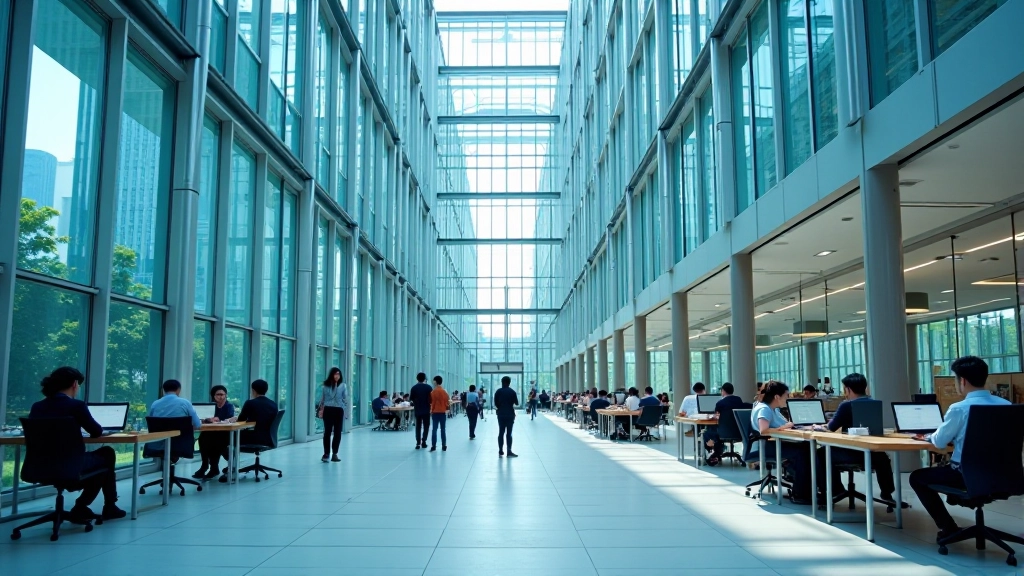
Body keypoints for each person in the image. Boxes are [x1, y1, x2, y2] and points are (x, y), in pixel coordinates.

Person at [910, 356, 1011, 541]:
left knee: (917, 477)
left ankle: (948, 527)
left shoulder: (959, 408)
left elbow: (939, 442)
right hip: (1003, 475)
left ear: (962, 381)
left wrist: (931, 435)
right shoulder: (1007, 405)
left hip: (966, 476)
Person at [27, 367, 126, 521]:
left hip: (39, 466)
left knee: (101, 467)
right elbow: (96, 431)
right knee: (107, 454)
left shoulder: (37, 406)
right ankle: (104, 506)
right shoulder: (76, 406)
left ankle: (85, 506)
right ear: (74, 384)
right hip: (70, 465)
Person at [824, 373, 897, 500]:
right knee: (882, 457)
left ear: (848, 389)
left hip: (851, 452)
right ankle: (887, 493)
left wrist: (820, 426)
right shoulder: (874, 403)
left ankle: (835, 490)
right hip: (873, 454)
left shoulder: (846, 405)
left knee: (821, 454)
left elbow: (831, 427)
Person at [751, 381, 815, 504]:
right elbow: (763, 430)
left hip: (775, 444)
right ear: (777, 397)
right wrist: (784, 427)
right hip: (768, 446)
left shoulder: (773, 409)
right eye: (786, 395)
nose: (788, 398)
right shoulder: (764, 409)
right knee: (803, 452)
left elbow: (784, 425)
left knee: (806, 447)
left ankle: (804, 488)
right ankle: (800, 493)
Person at [222, 379, 278, 483]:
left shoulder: (251, 403)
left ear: (253, 390)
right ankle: (232, 466)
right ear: (266, 390)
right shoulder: (273, 404)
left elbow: (241, 420)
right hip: (268, 438)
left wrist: (233, 419)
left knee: (224, 438)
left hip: (254, 438)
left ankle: (232, 467)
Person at [194, 384, 236, 479]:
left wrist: (218, 419)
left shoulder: (229, 406)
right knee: (202, 439)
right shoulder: (211, 406)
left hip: (225, 433)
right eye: (218, 394)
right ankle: (205, 465)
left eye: (222, 394)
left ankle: (214, 468)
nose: (221, 397)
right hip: (211, 431)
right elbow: (205, 417)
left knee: (215, 442)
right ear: (213, 396)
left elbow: (229, 417)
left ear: (226, 395)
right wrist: (207, 419)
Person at [699, 383, 744, 466]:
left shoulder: (720, 403)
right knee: (713, 430)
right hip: (739, 432)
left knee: (707, 432)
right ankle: (716, 451)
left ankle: (712, 452)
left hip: (724, 432)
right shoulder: (739, 400)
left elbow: (717, 416)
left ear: (723, 391)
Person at [316, 367, 347, 463]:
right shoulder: (326, 386)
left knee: (338, 432)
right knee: (327, 432)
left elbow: (345, 397)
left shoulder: (343, 385)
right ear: (332, 375)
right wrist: (334, 385)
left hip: (339, 410)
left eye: (338, 374)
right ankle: (326, 453)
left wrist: (345, 408)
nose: (337, 376)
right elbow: (324, 397)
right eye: (335, 374)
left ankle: (335, 453)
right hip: (328, 409)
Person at [494, 376, 519, 457]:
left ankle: (500, 450)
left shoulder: (498, 391)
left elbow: (495, 403)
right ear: (509, 382)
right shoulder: (512, 392)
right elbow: (517, 403)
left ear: (502, 382)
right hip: (510, 414)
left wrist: (500, 406)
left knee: (501, 432)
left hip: (501, 413)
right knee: (509, 433)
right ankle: (509, 451)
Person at [410, 373, 433, 449]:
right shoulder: (429, 387)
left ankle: (418, 442)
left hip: (417, 409)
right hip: (426, 409)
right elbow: (431, 399)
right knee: (426, 426)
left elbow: (411, 399)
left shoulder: (414, 388)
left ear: (417, 379)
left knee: (418, 426)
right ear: (424, 379)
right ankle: (424, 441)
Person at [428, 376, 449, 452]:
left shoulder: (433, 392)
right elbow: (447, 402)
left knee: (434, 429)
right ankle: (444, 445)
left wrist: (431, 410)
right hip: (442, 412)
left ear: (435, 381)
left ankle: (433, 446)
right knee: (443, 429)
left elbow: (432, 403)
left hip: (435, 412)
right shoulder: (444, 392)